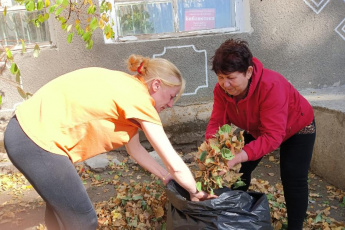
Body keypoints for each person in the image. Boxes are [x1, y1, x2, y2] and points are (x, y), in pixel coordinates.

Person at [4, 54, 216, 230]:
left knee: (62, 216)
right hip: (34, 139)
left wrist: (164, 176)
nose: (170, 104)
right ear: (156, 85)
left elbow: (135, 149)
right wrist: (196, 192)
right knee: (83, 220)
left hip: (26, 133)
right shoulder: (139, 99)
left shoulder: (127, 89)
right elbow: (172, 158)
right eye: (171, 97)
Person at [205, 39, 316, 229]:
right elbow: (217, 122)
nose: (225, 84)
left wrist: (238, 155)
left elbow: (273, 136)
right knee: (240, 170)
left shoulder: (272, 85)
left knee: (293, 177)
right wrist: (213, 148)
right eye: (220, 77)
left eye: (230, 78)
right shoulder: (221, 90)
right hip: (260, 129)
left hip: (297, 126)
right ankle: (235, 213)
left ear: (248, 72)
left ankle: (295, 227)